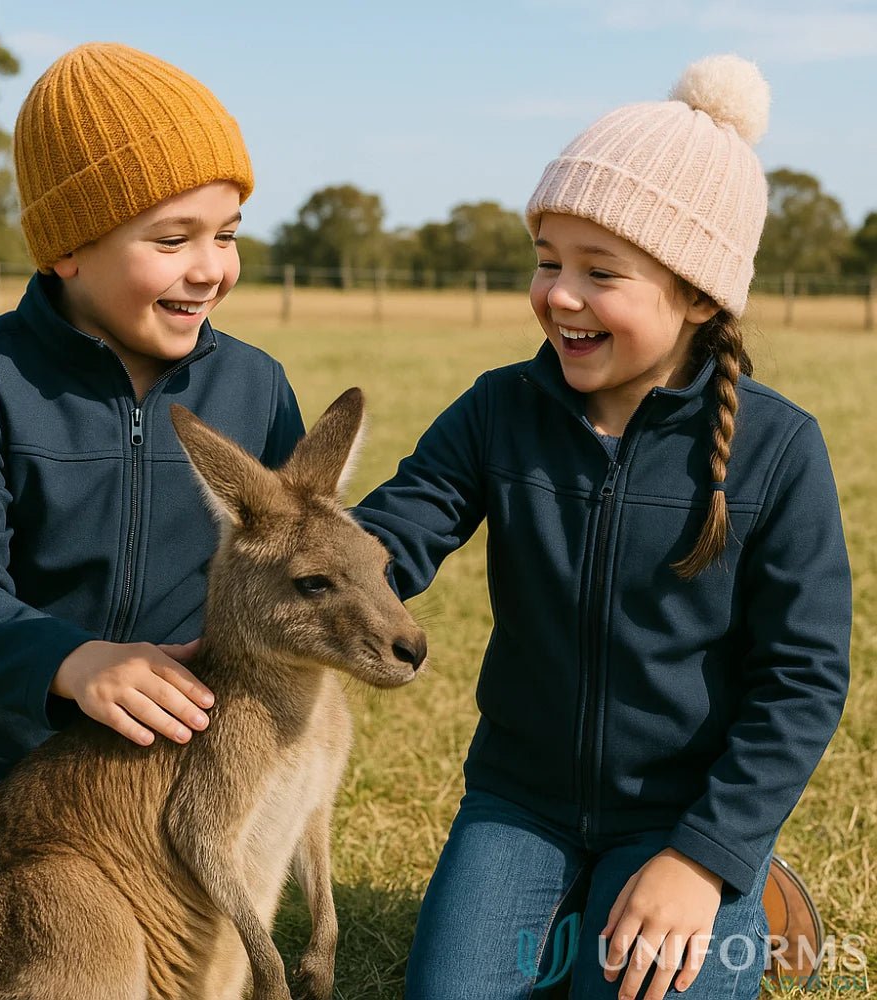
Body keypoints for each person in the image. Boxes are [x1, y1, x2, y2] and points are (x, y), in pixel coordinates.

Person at [353, 55, 851, 1000]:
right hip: (520, 803)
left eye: (600, 272)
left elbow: (804, 679)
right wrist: (290, 571)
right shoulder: (499, 410)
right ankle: (585, 900)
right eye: (548, 263)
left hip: (683, 818)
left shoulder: (781, 450)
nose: (560, 296)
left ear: (699, 296)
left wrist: (705, 858)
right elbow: (394, 533)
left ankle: (747, 884)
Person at [0, 43, 305, 999]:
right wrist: (73, 663)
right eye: (172, 239)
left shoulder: (254, 386)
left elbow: (297, 553)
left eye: (228, 233)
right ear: (66, 247)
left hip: (152, 781)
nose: (211, 269)